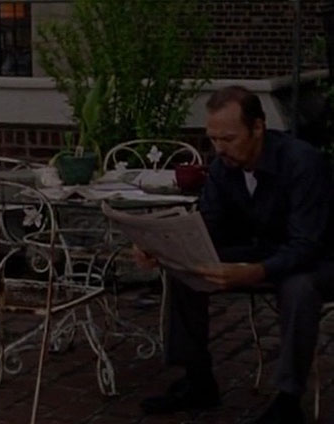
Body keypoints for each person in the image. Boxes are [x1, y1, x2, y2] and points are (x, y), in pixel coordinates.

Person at [134, 85, 334, 424]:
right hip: (262, 249)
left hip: (318, 259)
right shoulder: (222, 167)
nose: (219, 148)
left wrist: (256, 271)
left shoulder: (302, 162)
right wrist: (163, 246)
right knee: (185, 269)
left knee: (299, 289)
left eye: (228, 138)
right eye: (213, 139)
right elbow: (209, 224)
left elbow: (306, 244)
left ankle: (288, 401)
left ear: (257, 127)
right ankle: (198, 380)